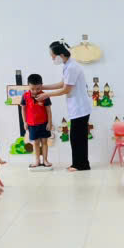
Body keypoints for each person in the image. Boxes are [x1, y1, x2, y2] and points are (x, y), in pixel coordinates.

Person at [37, 40, 92, 171]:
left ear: (60, 55)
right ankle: (79, 164)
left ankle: (81, 165)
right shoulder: (68, 65)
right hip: (77, 108)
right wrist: (42, 87)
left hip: (80, 108)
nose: (52, 59)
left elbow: (66, 89)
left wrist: (46, 95)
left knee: (77, 138)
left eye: (53, 56)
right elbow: (62, 84)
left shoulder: (72, 67)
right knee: (76, 137)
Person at [22, 73, 53, 169]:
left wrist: (49, 122)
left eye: (38, 89)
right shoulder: (25, 96)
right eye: (32, 89)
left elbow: (48, 110)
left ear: (41, 85)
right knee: (35, 143)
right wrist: (25, 122)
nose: (35, 91)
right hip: (32, 124)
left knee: (44, 142)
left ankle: (45, 160)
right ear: (28, 86)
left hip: (44, 123)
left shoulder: (45, 95)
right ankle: (37, 160)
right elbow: (23, 109)